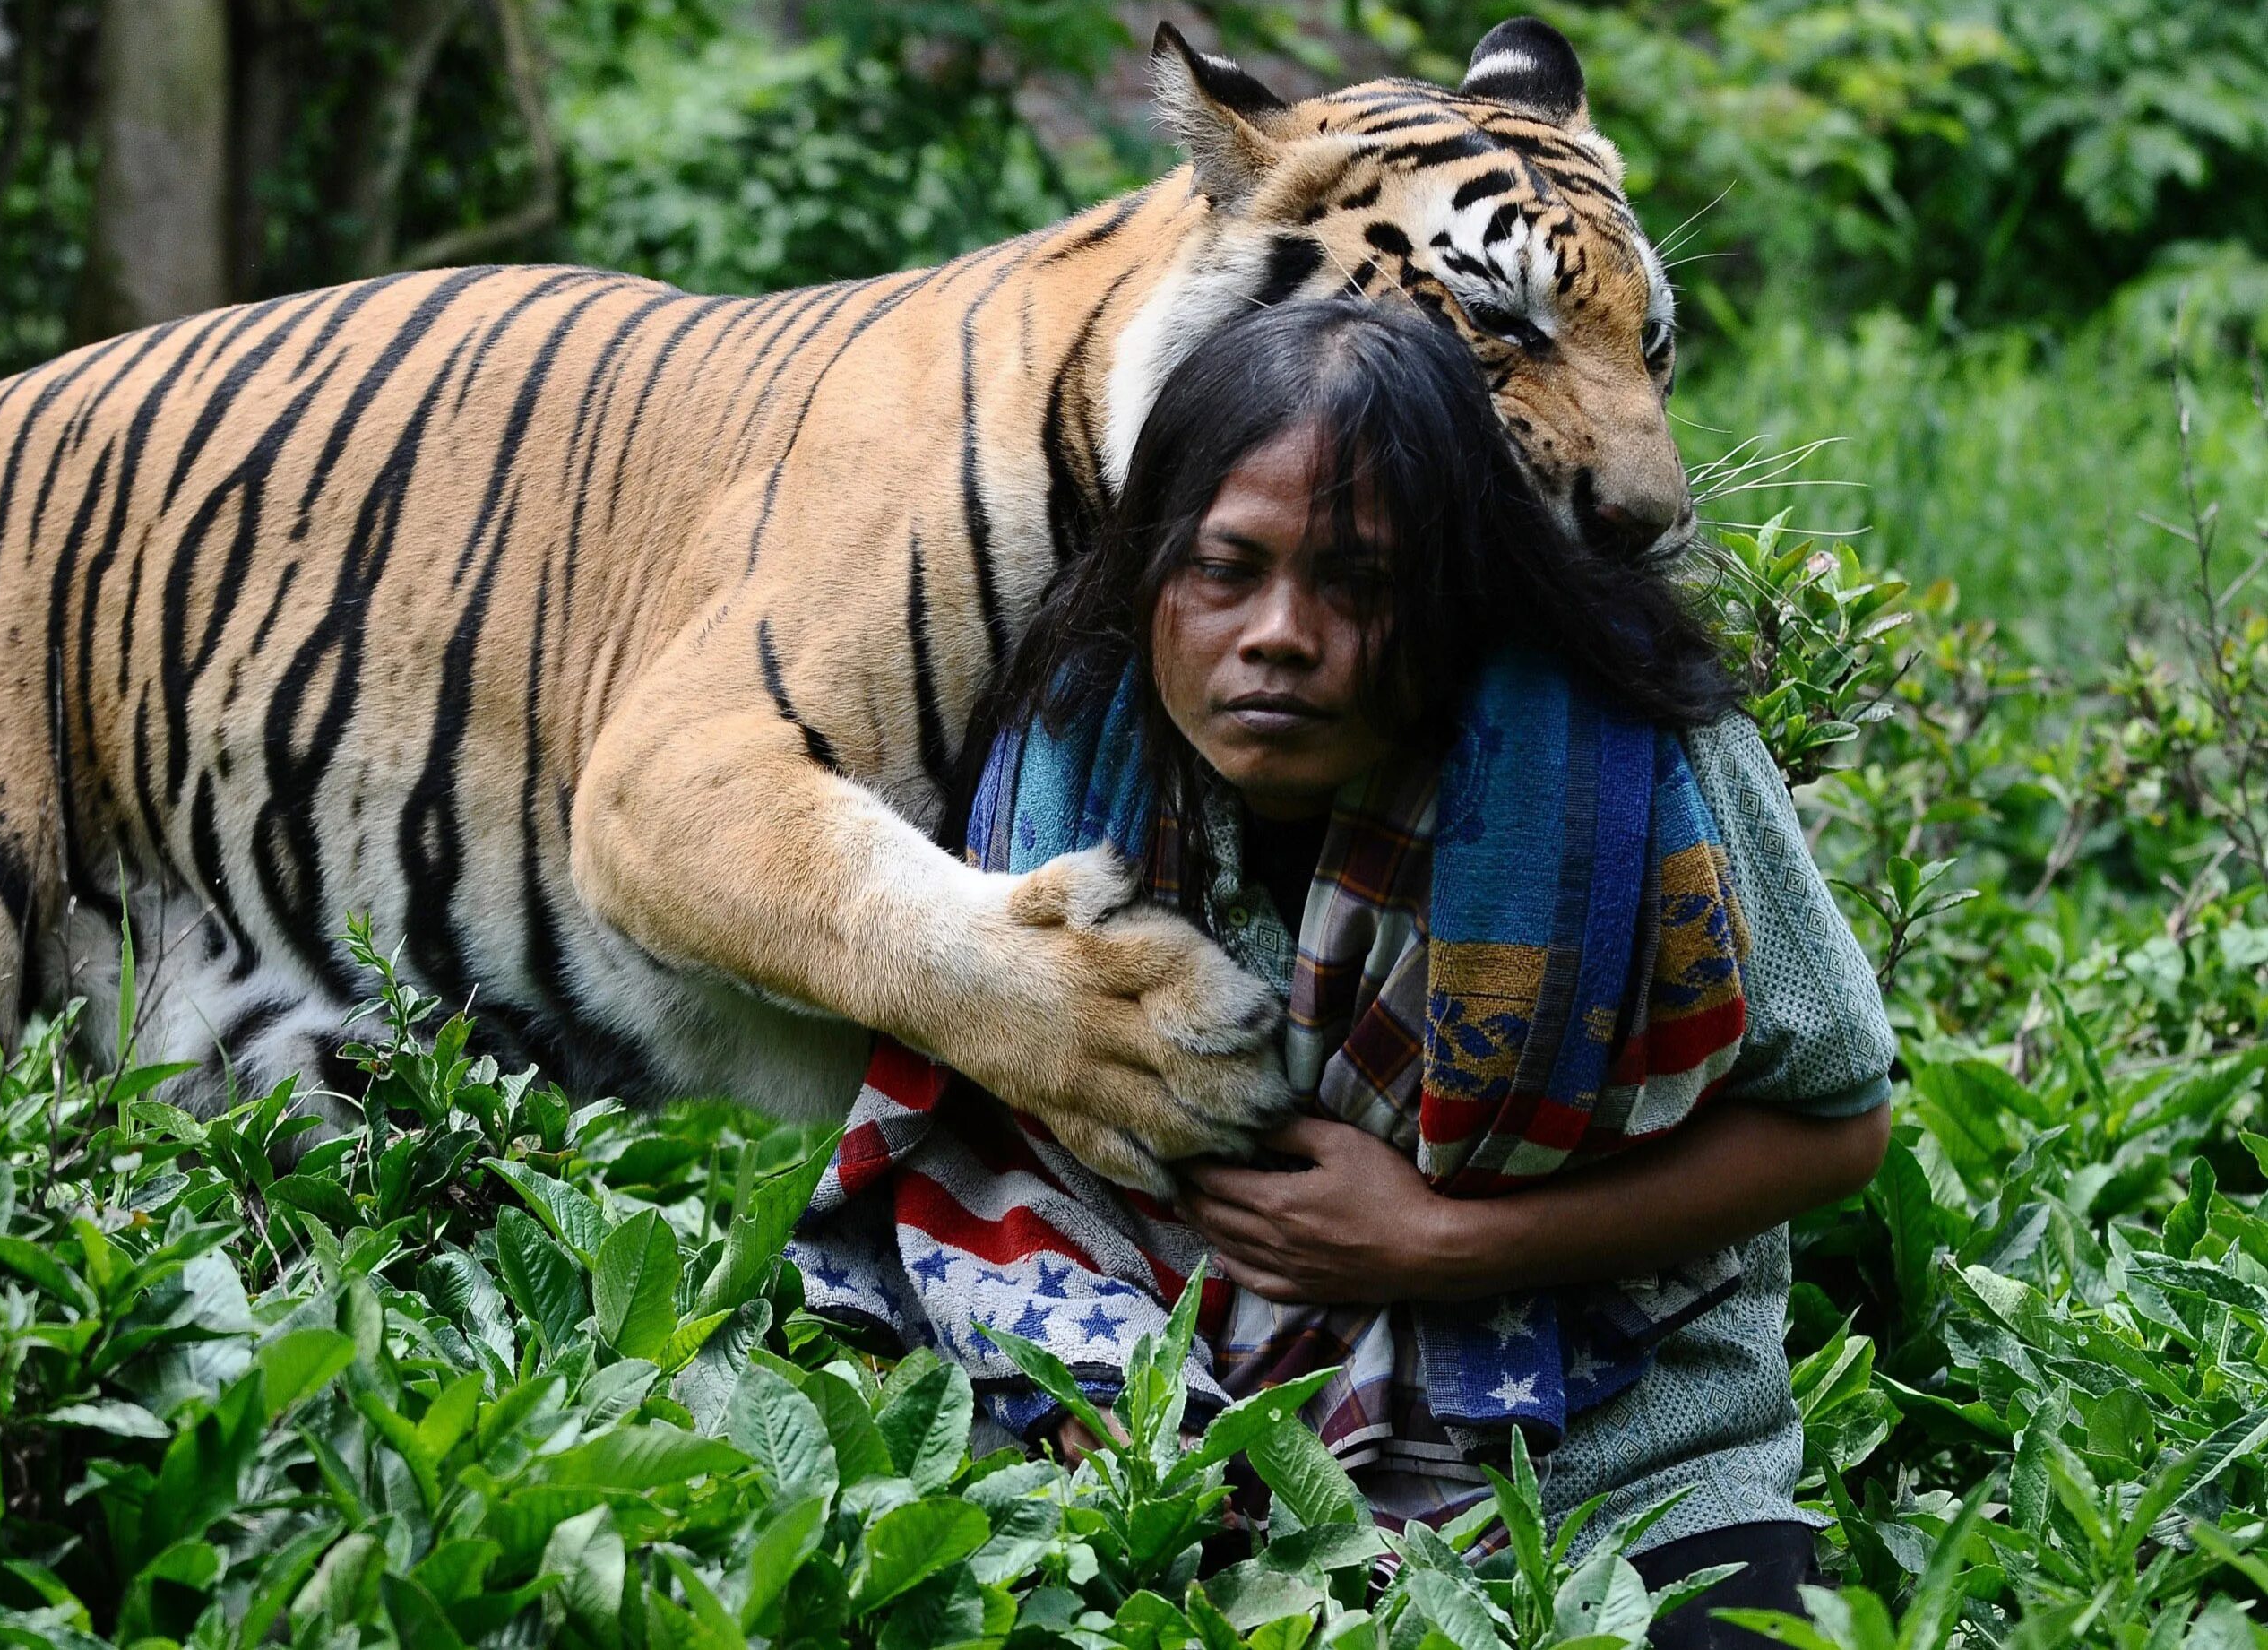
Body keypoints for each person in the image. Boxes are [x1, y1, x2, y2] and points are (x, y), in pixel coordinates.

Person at [789, 296, 1892, 1650]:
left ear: (1458, 600)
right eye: (1223, 569)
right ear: (1149, 577)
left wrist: (1441, 1245)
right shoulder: (1062, 771)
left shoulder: (1635, 775)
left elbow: (1837, 1122)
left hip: (1624, 1457)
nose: (1277, 634)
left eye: (1360, 584)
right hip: (1166, 1454)